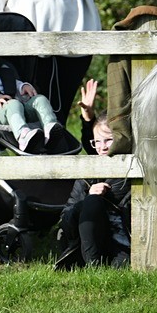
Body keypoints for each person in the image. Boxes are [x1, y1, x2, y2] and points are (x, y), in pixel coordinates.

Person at [56, 80, 130, 268]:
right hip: (93, 246)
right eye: (97, 141)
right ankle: (93, 267)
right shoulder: (88, 173)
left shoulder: (129, 168)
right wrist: (89, 199)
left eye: (108, 140)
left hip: (123, 246)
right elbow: (66, 219)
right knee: (91, 201)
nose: (102, 147)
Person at [0, 56, 63, 153]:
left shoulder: (2, 75)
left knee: (39, 99)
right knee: (13, 104)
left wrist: (24, 86)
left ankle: (50, 127)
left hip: (17, 109)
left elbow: (15, 84)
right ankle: (22, 136)